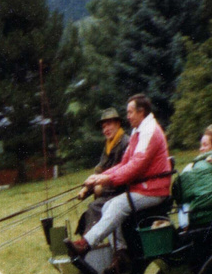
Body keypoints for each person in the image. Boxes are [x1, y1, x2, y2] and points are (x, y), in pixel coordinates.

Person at [67, 94, 173, 256]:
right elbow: (124, 164)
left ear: (141, 111)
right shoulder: (139, 131)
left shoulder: (149, 131)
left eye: (130, 112)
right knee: (108, 206)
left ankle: (86, 243)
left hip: (154, 190)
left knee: (116, 206)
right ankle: (121, 252)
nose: (128, 116)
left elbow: (136, 166)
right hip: (144, 188)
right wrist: (97, 178)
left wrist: (107, 179)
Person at [74, 107, 130, 237]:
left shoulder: (125, 143)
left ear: (118, 123)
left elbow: (122, 173)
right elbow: (100, 169)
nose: (106, 129)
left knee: (94, 207)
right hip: (110, 189)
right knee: (92, 207)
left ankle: (87, 242)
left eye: (109, 124)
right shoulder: (109, 145)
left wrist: (101, 188)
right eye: (103, 127)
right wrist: (86, 189)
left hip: (121, 190)